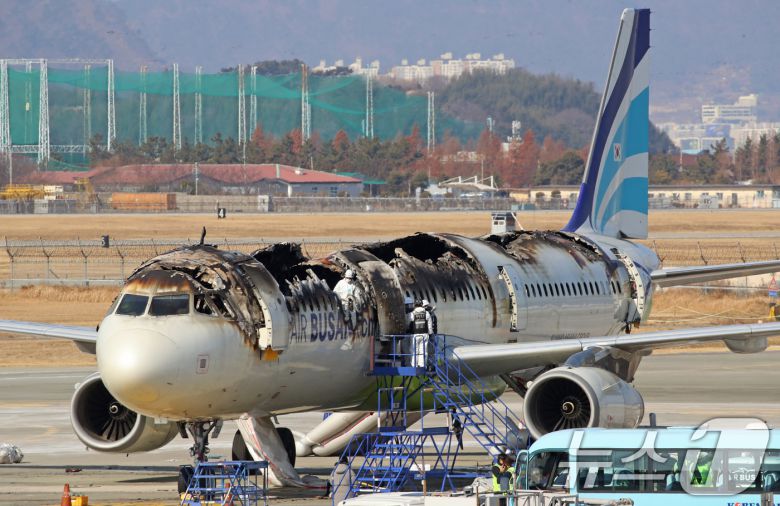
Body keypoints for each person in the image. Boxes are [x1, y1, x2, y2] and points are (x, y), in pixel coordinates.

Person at [409, 299, 433, 368]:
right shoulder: (426, 313)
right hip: (424, 335)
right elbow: (429, 325)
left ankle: (414, 365)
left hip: (415, 335)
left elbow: (408, 323)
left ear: (415, 305)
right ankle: (422, 365)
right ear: (422, 305)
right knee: (423, 350)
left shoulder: (412, 314)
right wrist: (430, 334)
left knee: (414, 350)